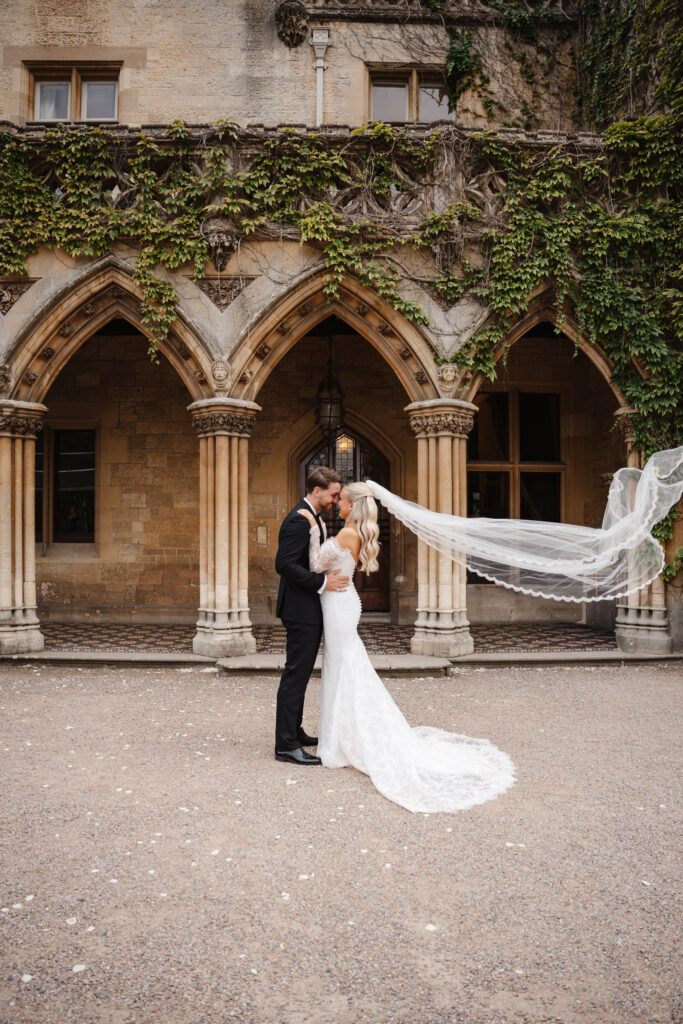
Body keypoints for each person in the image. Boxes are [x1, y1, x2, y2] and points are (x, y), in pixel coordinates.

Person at [297, 482, 516, 813]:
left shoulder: (346, 535)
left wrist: (313, 528)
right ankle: (338, 738)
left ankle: (338, 743)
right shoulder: (348, 533)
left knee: (344, 669)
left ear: (353, 506)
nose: (337, 503)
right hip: (341, 603)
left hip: (339, 607)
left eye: (341, 499)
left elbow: (314, 565)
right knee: (342, 668)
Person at [274, 466, 349, 766]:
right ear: (316, 491)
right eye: (333, 494)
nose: (335, 500)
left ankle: (294, 730)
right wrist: (322, 583)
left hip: (308, 608)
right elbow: (285, 564)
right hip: (299, 609)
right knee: (295, 674)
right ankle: (285, 746)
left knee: (302, 674)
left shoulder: (314, 517)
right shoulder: (297, 520)